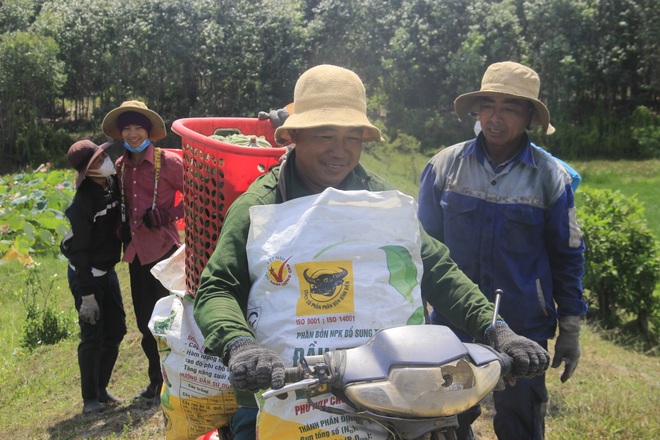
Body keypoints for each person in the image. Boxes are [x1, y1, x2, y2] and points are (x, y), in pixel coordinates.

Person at [193, 64, 550, 440]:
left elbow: (438, 271)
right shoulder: (262, 207)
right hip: (283, 386)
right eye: (325, 135)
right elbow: (216, 288)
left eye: (352, 137)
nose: (340, 151)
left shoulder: (382, 204)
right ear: (295, 136)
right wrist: (242, 345)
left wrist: (496, 329)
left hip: (381, 385)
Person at [418, 61, 588, 439]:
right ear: (476, 111)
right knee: (448, 418)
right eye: (488, 105)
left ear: (529, 116)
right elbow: (420, 248)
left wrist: (571, 327)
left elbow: (569, 254)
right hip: (453, 322)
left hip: (525, 324)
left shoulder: (550, 176)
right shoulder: (445, 165)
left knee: (522, 419)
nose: (496, 117)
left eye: (510, 107)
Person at [101, 100, 184, 404]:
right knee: (145, 322)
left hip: (166, 252)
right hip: (136, 255)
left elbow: (202, 193)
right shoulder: (121, 166)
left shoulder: (169, 162)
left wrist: (171, 214)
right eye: (127, 128)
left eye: (138, 127)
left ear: (148, 130)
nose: (133, 133)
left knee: (172, 320)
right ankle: (156, 383)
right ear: (121, 133)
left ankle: (178, 380)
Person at [61, 140, 127, 414]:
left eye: (104, 157)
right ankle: (89, 399)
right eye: (98, 162)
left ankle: (101, 388)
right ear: (87, 172)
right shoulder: (82, 203)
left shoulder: (111, 185)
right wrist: (87, 295)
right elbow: (80, 253)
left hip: (107, 270)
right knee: (92, 335)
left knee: (117, 330)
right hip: (86, 274)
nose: (106, 162)